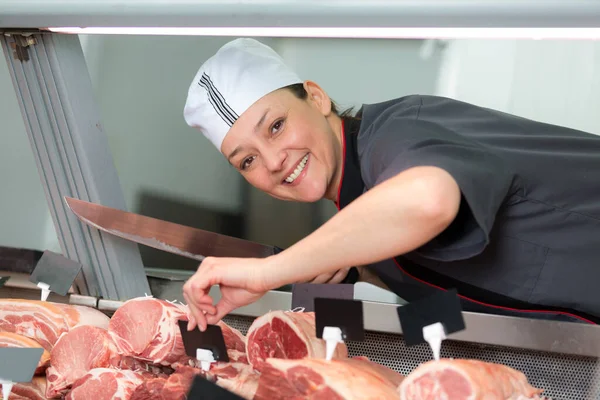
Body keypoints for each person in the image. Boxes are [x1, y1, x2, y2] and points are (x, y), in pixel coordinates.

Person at [181, 37, 600, 332]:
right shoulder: (363, 235)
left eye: (276, 125)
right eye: (248, 160)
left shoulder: (397, 131)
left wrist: (269, 272)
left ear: (317, 97)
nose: (273, 162)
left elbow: (429, 200)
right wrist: (370, 300)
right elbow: (466, 320)